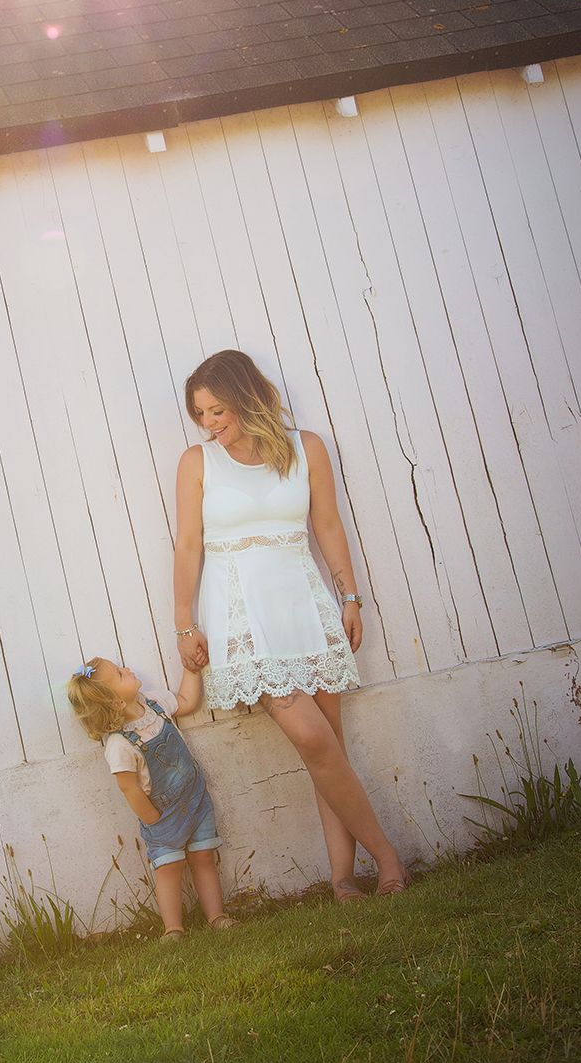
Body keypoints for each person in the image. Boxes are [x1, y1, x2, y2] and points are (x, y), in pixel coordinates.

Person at [173, 349, 409, 902]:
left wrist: (349, 596)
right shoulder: (196, 463)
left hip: (305, 605)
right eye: (200, 415)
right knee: (312, 738)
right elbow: (187, 545)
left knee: (328, 749)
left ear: (245, 396)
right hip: (240, 616)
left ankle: (342, 878)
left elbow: (326, 523)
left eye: (216, 411)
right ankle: (390, 859)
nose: (209, 424)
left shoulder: (306, 448)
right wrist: (184, 623)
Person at [67, 656, 237, 941]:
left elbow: (186, 700)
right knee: (169, 867)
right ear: (117, 704)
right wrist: (153, 821)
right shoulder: (120, 744)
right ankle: (173, 928)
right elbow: (129, 788)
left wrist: (190, 668)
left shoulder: (155, 704)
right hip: (161, 814)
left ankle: (216, 915)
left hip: (195, 799)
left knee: (204, 856)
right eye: (121, 674)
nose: (128, 669)